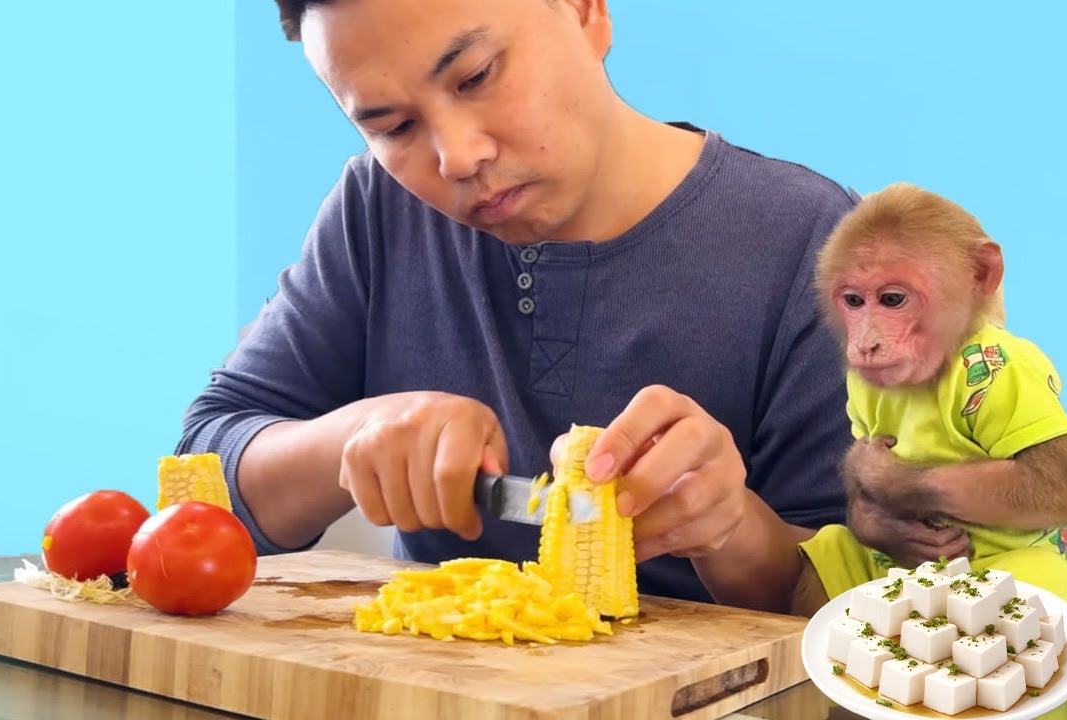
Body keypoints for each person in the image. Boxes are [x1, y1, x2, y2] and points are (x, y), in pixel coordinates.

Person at [177, 0, 965, 612]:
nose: (458, 156)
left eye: (477, 75)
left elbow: (889, 602)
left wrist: (729, 528)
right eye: (393, 126)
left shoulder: (813, 245)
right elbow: (204, 475)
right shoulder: (377, 211)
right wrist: (348, 439)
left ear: (587, 10)